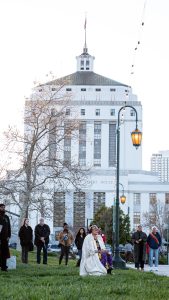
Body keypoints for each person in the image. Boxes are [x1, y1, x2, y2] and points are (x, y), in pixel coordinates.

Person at [0, 203, 11, 271]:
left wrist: (9, 236)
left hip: (5, 238)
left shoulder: (6, 217)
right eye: (2, 207)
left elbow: (9, 227)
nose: (3, 208)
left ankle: (4, 267)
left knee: (4, 253)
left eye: (4, 207)